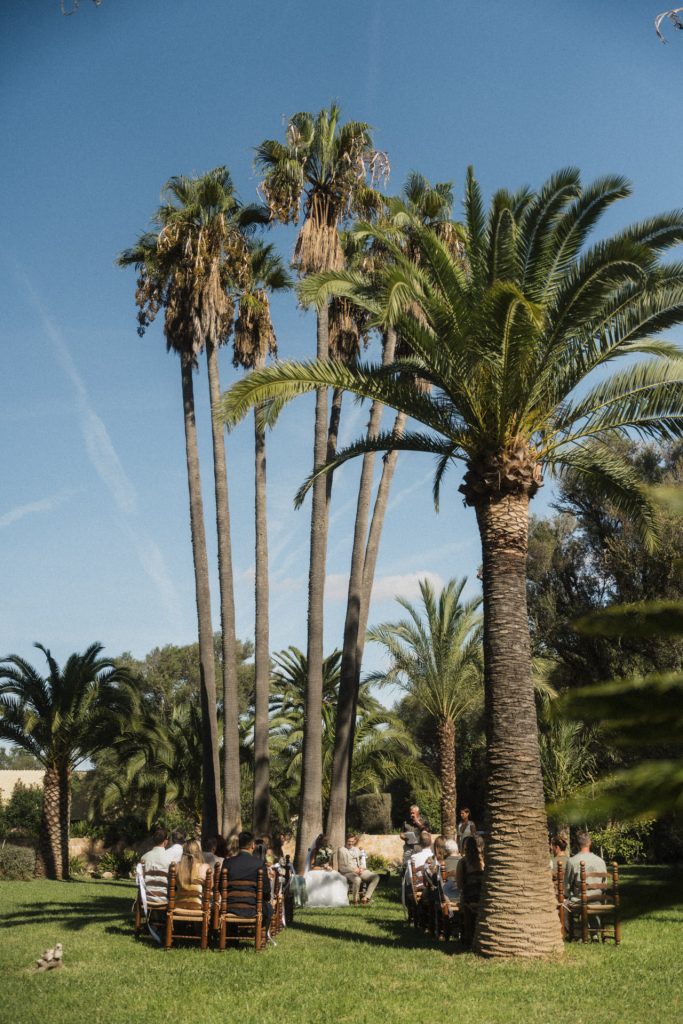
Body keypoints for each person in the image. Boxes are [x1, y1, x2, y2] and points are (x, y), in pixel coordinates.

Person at [222, 830, 272, 928]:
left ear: (238, 845)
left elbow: (221, 887)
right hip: (253, 908)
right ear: (253, 845)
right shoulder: (259, 864)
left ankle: (232, 932)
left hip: (230, 907)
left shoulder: (228, 863)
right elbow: (266, 891)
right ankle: (259, 935)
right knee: (269, 909)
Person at [303, 833, 349, 908]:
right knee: (323, 877)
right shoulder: (315, 851)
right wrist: (322, 868)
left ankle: (335, 900)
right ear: (319, 841)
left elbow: (331, 865)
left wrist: (329, 867)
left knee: (337, 877)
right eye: (324, 841)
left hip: (327, 870)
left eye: (326, 841)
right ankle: (320, 900)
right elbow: (312, 866)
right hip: (316, 871)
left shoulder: (329, 851)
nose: (325, 842)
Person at [563, 831, 607, 908]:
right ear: (590, 843)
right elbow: (605, 885)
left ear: (576, 845)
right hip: (598, 899)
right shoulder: (600, 861)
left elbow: (566, 888)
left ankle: (570, 920)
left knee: (563, 902)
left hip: (579, 900)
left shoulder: (572, 861)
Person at [337, 834, 381, 906]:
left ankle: (366, 897)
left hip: (359, 870)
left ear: (354, 841)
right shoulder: (341, 850)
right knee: (357, 879)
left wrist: (361, 868)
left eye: (352, 841)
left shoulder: (357, 849)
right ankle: (355, 900)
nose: (350, 843)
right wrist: (353, 870)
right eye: (349, 841)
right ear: (346, 840)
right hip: (347, 872)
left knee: (376, 877)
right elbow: (342, 866)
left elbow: (362, 861)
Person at [139, 827, 170, 904]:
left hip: (146, 897)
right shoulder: (170, 859)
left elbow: (139, 880)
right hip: (164, 898)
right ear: (165, 841)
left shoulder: (144, 858)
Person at [175, 839, 210, 904]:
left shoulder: (176, 867)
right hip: (198, 907)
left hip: (178, 906)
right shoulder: (205, 868)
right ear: (198, 852)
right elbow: (210, 887)